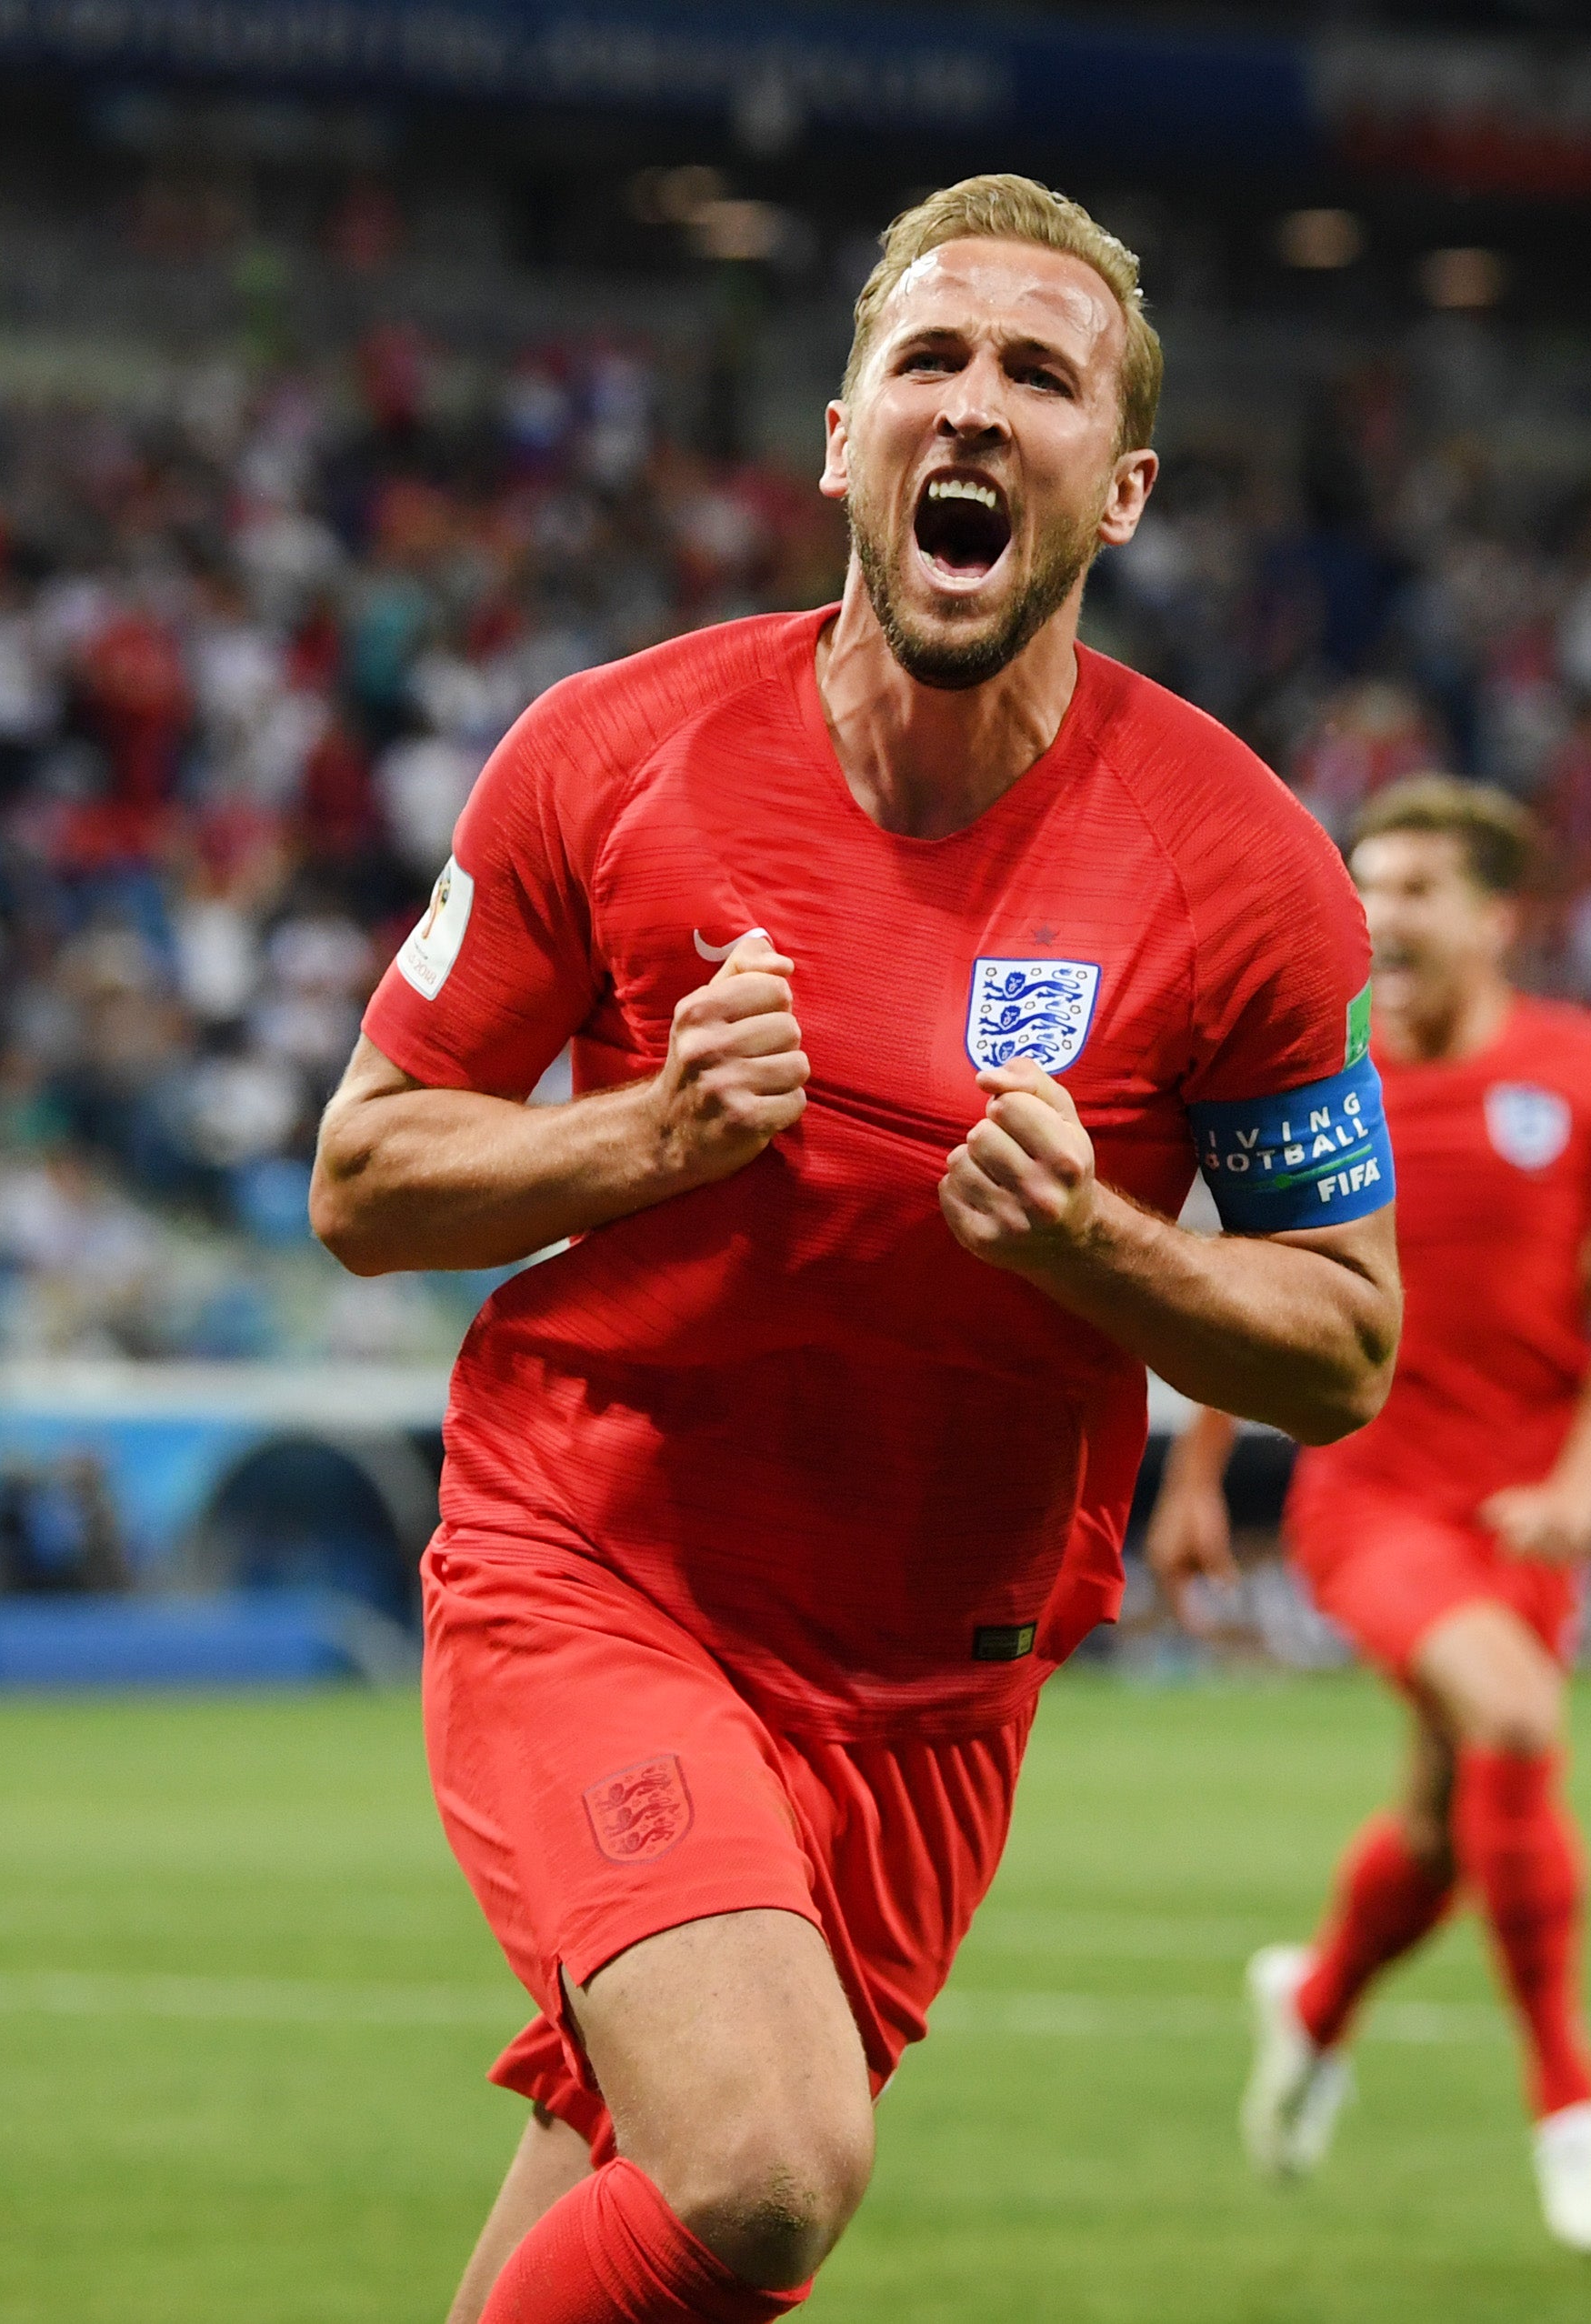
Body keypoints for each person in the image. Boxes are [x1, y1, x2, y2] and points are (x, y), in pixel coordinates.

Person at [311, 174, 1402, 2324]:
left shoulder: (1245, 871)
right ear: (840, 441)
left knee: (658, 2229)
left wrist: (1093, 1245)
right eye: (928, 360)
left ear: (1121, 488)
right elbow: (364, 1176)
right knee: (766, 2165)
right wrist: (645, 1133)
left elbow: (1341, 1343)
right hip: (602, 1568)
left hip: (933, 1684)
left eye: (1038, 376)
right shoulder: (605, 755)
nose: (973, 409)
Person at [1146, 777, 1591, 2252]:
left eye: (1417, 886)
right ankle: (1568, 2109)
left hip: (1521, 1520)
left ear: (1498, 917)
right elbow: (1259, 1280)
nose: (1378, 912)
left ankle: (1310, 2009)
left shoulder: (1590, 1071)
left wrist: (1577, 1485)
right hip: (1368, 1496)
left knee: (1449, 1829)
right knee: (1508, 1718)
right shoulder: (1324, 1068)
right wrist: (1194, 1480)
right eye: (1364, 882)